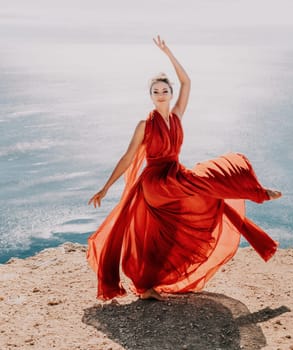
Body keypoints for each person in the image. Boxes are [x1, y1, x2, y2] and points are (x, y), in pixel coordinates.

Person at [87, 35, 282, 301]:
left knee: (178, 224)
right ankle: (255, 191)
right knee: (205, 179)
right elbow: (127, 157)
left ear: (170, 93)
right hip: (156, 182)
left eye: (164, 90)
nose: (160, 95)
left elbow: (187, 81)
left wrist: (168, 53)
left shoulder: (177, 116)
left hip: (175, 176)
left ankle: (146, 287)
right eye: (155, 92)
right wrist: (105, 187)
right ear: (150, 96)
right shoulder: (144, 125)